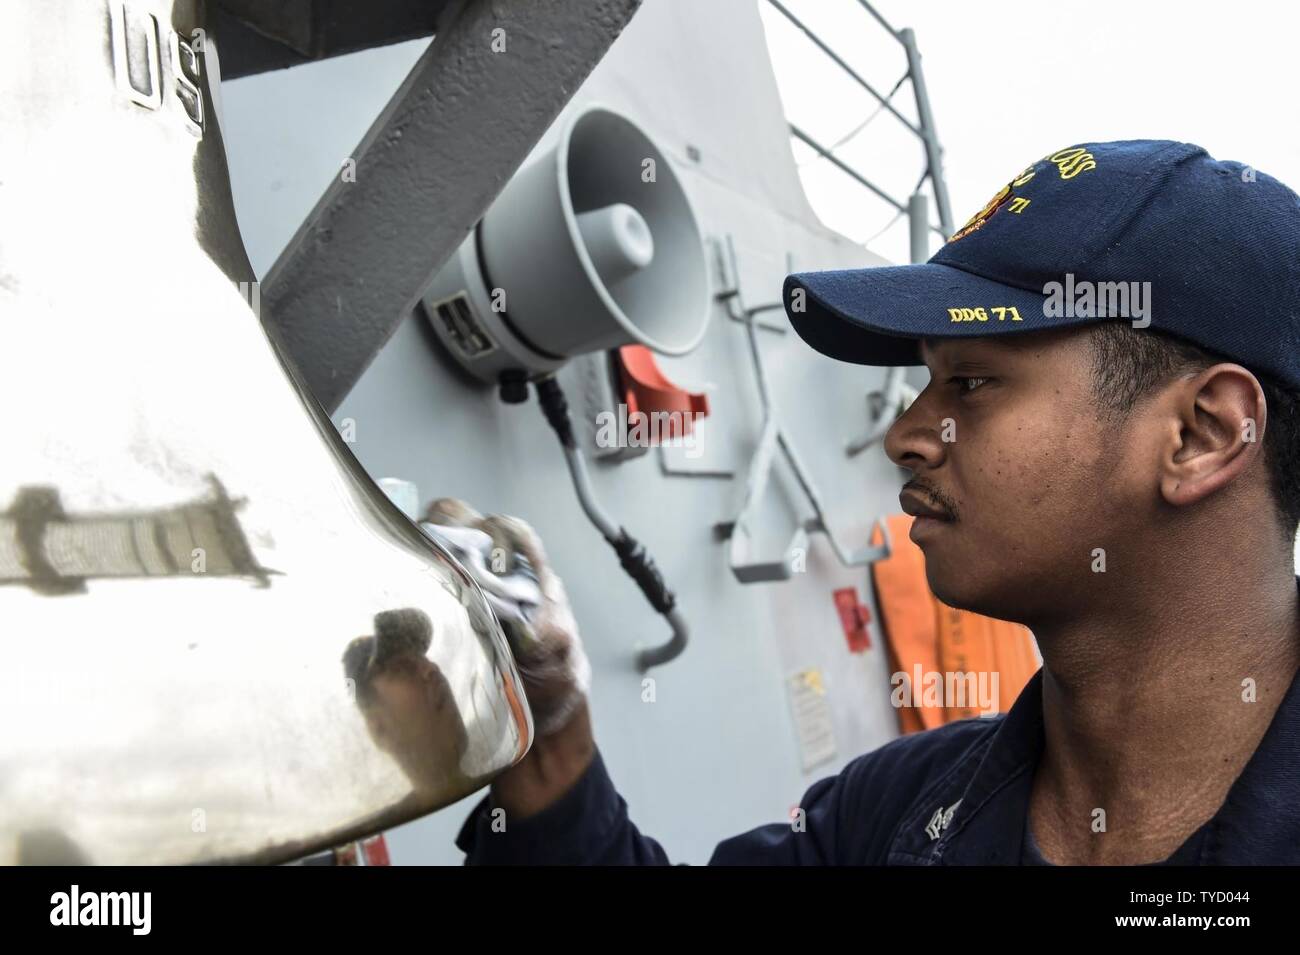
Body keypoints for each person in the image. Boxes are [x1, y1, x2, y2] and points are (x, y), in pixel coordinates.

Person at [448, 140, 1300, 864]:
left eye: (970, 382)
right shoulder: (888, 811)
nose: (906, 435)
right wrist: (545, 731)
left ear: (1202, 434)